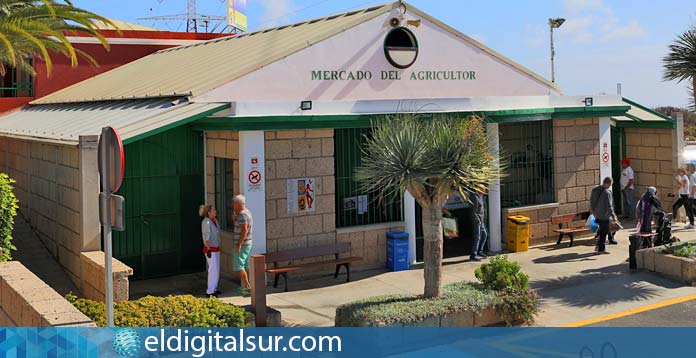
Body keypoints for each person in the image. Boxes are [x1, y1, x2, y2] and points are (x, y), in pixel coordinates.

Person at [590, 177, 618, 254]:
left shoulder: (595, 190)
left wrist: (594, 212)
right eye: (610, 184)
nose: (610, 186)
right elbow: (609, 206)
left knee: (601, 230)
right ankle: (601, 249)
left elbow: (591, 201)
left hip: (597, 214)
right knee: (604, 232)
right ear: (608, 183)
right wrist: (613, 216)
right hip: (604, 215)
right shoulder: (607, 192)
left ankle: (599, 246)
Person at [233, 195, 253, 296]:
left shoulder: (242, 214)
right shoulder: (247, 212)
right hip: (248, 243)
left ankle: (247, 287)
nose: (233, 205)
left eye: (234, 203)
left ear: (238, 204)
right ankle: (247, 286)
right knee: (245, 264)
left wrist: (239, 244)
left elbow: (244, 230)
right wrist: (235, 220)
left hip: (243, 244)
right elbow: (242, 227)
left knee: (239, 265)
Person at [200, 204, 221, 297]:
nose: (215, 211)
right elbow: (206, 237)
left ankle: (214, 288)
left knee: (216, 269)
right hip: (210, 249)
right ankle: (210, 291)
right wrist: (208, 249)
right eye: (214, 210)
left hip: (216, 248)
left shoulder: (214, 220)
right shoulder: (206, 222)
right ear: (209, 213)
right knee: (212, 270)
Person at [469, 191, 488, 262]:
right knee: (477, 237)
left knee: (484, 235)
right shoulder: (475, 197)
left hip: (481, 220)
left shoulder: (481, 197)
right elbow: (474, 211)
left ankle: (480, 251)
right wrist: (477, 220)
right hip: (478, 220)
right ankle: (473, 255)